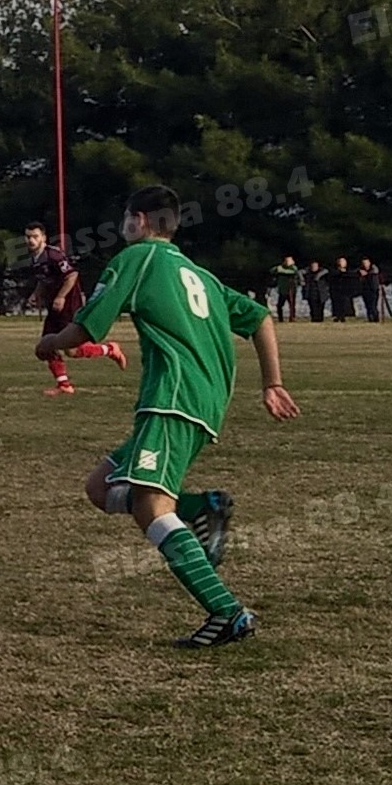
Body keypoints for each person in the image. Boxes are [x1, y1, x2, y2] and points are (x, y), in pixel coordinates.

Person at [37, 185, 301, 648]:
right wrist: (272, 383)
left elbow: (85, 328)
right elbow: (260, 317)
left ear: (139, 219)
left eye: (126, 217)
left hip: (172, 397)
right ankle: (203, 508)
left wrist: (50, 344)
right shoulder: (198, 274)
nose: (123, 225)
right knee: (100, 488)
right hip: (202, 402)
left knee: (151, 507)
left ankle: (227, 612)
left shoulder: (136, 258)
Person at [23, 221, 126, 395]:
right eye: (28, 237)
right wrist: (36, 294)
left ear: (43, 238)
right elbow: (44, 279)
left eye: (35, 236)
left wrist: (61, 297)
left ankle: (109, 349)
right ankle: (64, 385)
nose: (31, 240)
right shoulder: (35, 258)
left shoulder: (54, 255)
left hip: (69, 305)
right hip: (55, 307)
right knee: (45, 347)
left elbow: (72, 275)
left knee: (72, 350)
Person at [269, 256, 301, 322]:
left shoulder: (293, 268)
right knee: (279, 305)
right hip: (283, 290)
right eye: (286, 261)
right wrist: (278, 268)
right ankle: (280, 319)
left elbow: (292, 272)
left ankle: (292, 318)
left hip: (291, 290)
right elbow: (272, 271)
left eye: (289, 261)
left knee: (292, 305)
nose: (287, 262)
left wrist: (280, 270)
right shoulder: (280, 267)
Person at [329, 256, 360, 322]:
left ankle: (347, 316)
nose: (341, 263)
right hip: (336, 292)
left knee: (346, 305)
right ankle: (338, 316)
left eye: (343, 262)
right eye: (340, 261)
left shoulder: (350, 271)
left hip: (347, 292)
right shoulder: (333, 271)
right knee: (337, 305)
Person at [358, 258, 383, 322]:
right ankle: (370, 318)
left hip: (373, 290)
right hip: (365, 290)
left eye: (366, 263)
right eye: (364, 263)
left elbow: (375, 274)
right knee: (368, 305)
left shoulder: (374, 270)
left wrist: (367, 274)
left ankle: (375, 318)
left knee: (373, 305)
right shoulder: (361, 270)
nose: (365, 264)